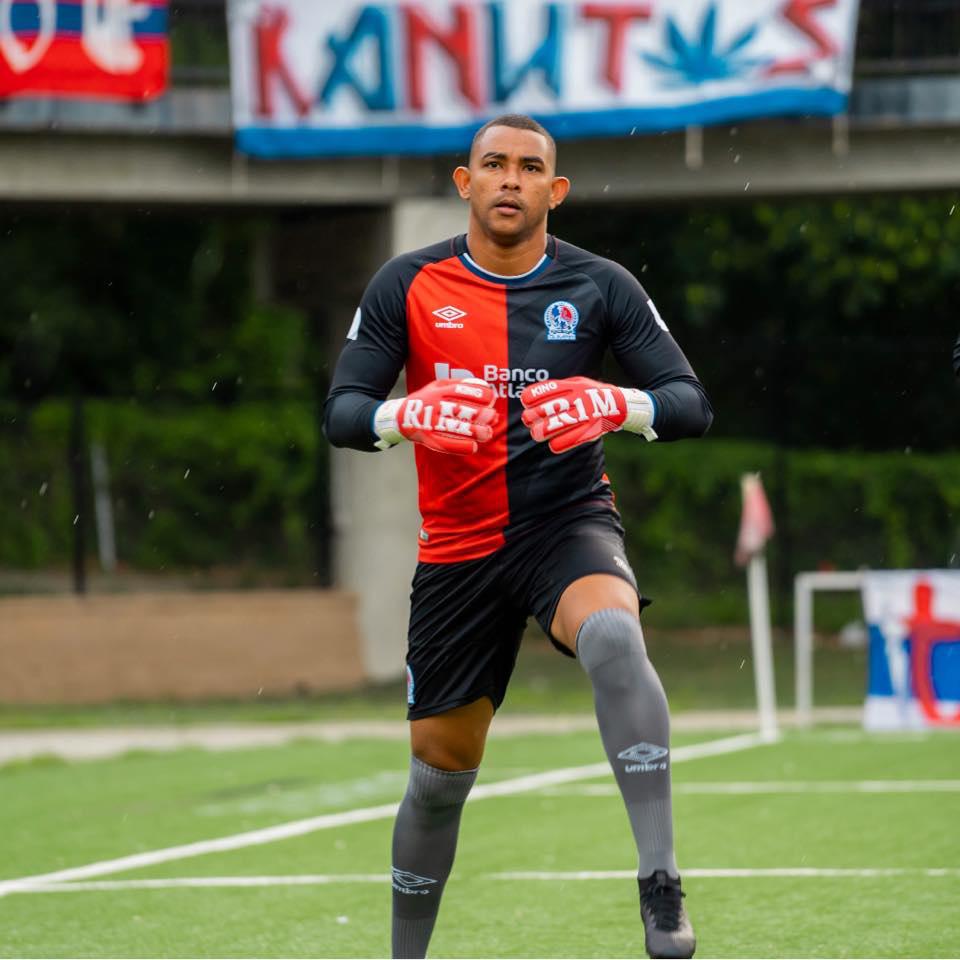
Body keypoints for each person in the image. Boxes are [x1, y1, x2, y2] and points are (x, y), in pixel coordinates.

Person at [324, 114, 713, 960]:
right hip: (457, 550)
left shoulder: (602, 285)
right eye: (494, 164)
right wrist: (405, 414)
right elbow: (342, 412)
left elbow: (689, 402)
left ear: (555, 190)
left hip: (565, 525)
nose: (510, 179)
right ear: (464, 183)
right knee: (437, 778)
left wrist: (617, 402)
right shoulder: (406, 282)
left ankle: (660, 882)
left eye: (530, 167)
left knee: (613, 634)